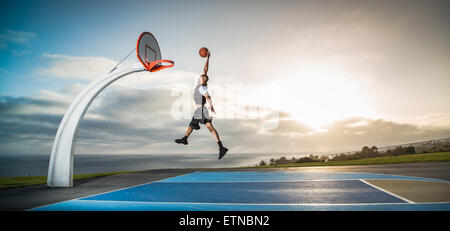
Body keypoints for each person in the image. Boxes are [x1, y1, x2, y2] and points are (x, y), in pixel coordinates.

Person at [175, 51, 229, 159]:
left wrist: (211, 105)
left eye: (201, 77)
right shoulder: (200, 84)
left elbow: (208, 97)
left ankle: (221, 147)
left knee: (209, 127)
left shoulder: (202, 87)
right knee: (191, 125)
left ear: (203, 80)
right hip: (198, 111)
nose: (200, 76)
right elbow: (205, 70)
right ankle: (185, 139)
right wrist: (208, 58)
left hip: (202, 111)